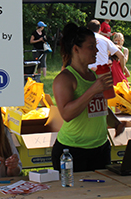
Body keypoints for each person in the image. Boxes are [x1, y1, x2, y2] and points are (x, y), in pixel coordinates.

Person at [52, 23, 124, 177]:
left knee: (101, 196)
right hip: (72, 151)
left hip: (100, 147)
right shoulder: (64, 79)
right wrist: (93, 90)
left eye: (96, 46)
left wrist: (116, 123)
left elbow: (100, 107)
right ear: (76, 49)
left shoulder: (94, 74)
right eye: (91, 46)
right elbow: (66, 114)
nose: (96, 51)